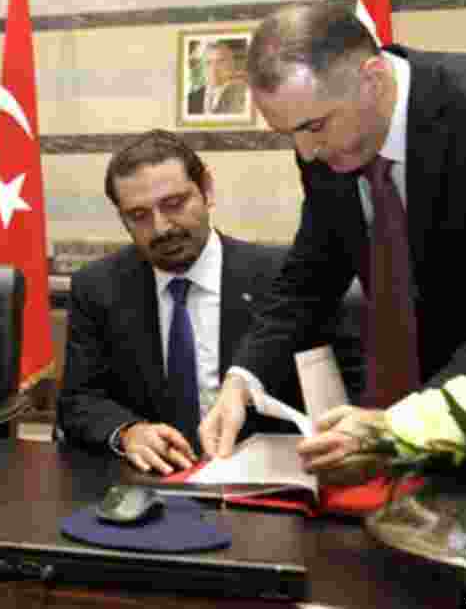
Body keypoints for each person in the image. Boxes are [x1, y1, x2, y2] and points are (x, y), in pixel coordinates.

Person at [201, 2, 466, 467]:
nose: (307, 151)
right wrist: (244, 378)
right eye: (288, 134)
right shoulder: (325, 145)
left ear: (372, 79)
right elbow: (311, 274)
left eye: (314, 126)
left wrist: (409, 424)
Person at [55, 130, 353, 475]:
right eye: (138, 215)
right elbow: (79, 401)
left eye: (174, 204)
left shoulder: (286, 280)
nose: (162, 227)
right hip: (153, 483)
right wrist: (129, 433)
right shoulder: (98, 286)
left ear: (207, 189)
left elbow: (342, 392)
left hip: (266, 485)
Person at [187, 40, 249, 115]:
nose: (213, 69)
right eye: (208, 63)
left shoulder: (245, 96)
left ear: (232, 65)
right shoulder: (191, 98)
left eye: (220, 62)